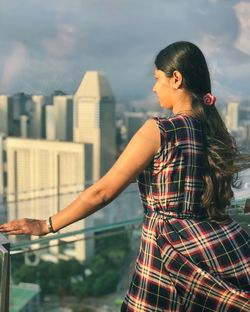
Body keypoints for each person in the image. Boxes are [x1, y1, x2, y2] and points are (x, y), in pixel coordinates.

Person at [0, 41, 250, 311]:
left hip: (167, 255)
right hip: (214, 249)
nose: (154, 88)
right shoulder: (214, 130)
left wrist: (45, 225)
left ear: (176, 78)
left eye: (157, 79)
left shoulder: (160, 130)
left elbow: (102, 192)